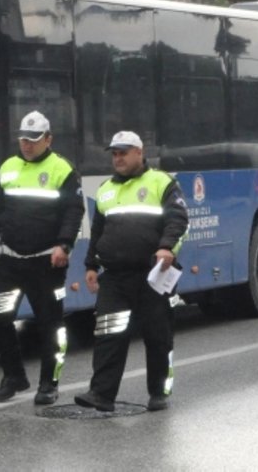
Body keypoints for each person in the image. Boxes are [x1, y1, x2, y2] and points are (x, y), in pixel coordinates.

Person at [75, 131, 188, 413]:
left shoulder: (161, 182)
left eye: (124, 152)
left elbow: (178, 219)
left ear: (140, 152)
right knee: (108, 334)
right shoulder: (105, 189)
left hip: (153, 274)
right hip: (114, 277)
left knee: (157, 336)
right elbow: (99, 231)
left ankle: (159, 391)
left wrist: (166, 248)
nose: (118, 158)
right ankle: (101, 394)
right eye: (114, 153)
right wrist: (91, 265)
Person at [0, 110, 84, 405]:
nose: (27, 144)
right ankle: (13, 376)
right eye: (23, 138)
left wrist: (63, 246)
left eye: (34, 139)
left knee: (50, 324)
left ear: (48, 139)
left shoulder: (62, 169)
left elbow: (73, 211)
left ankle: (49, 384)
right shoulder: (8, 167)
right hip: (11, 261)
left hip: (46, 262)